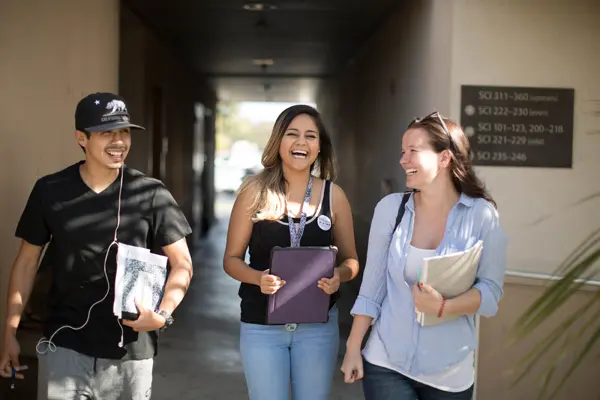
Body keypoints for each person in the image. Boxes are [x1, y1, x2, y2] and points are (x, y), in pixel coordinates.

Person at [0, 92, 194, 400]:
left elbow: (182, 264)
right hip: (64, 344)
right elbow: (26, 262)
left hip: (130, 350)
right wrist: (9, 331)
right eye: (106, 133)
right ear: (81, 138)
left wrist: (162, 314)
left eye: (124, 132)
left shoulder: (151, 194)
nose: (119, 142)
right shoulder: (50, 190)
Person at [340, 111, 508, 399]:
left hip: (449, 371)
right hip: (385, 362)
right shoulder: (389, 210)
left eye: (413, 151)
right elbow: (372, 289)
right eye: (402, 152)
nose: (403, 160)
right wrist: (353, 348)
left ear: (444, 158)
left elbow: (490, 293)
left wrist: (443, 306)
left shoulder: (482, 215)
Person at [223, 104, 359, 400]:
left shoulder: (334, 197)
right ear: (278, 142)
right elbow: (231, 260)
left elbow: (352, 261)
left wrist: (339, 275)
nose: (301, 142)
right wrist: (258, 278)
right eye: (292, 134)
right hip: (262, 326)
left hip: (317, 329)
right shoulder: (254, 192)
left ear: (319, 147)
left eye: (310, 136)